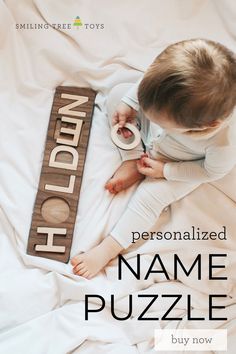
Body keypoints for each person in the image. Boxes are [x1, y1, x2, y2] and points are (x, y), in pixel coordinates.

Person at [70, 38, 236, 279]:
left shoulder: (224, 144)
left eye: (161, 121)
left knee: (150, 199)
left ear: (206, 127)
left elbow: (209, 172)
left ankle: (107, 250)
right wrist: (130, 102)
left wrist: (166, 171)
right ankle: (133, 158)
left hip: (181, 164)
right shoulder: (169, 84)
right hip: (156, 138)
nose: (153, 120)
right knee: (117, 94)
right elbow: (149, 85)